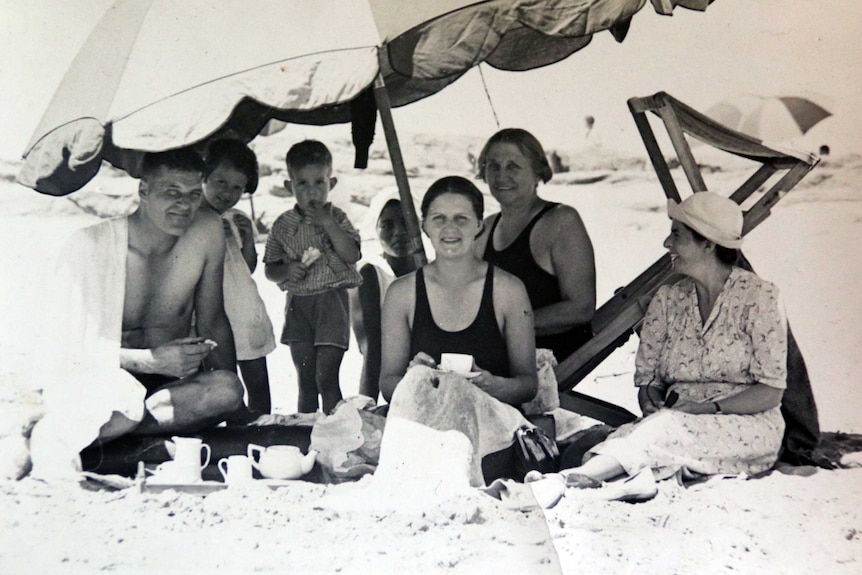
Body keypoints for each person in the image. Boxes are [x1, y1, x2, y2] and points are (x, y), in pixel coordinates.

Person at [531, 192, 787, 497]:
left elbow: (771, 392)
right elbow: (649, 381)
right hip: (674, 421)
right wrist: (651, 401)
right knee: (627, 441)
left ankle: (569, 480)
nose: (667, 244)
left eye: (676, 234)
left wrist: (707, 409)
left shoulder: (759, 298)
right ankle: (628, 484)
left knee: (656, 436)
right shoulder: (667, 300)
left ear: (707, 242)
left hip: (746, 425)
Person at [379, 176, 538, 484]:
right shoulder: (402, 293)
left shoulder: (508, 290)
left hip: (493, 432)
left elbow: (528, 384)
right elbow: (388, 383)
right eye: (439, 219)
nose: (450, 229)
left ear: (479, 224)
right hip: (423, 426)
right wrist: (416, 379)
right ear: (424, 226)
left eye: (461, 219)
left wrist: (490, 385)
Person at [103, 148, 246, 440]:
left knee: (227, 390)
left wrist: (234, 410)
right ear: (144, 190)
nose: (185, 205)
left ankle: (117, 433)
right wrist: (148, 361)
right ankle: (129, 431)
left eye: (194, 194)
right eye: (172, 192)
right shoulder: (106, 246)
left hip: (169, 389)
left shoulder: (207, 230)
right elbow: (74, 353)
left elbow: (213, 319)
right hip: (111, 380)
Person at [475, 128, 596, 363]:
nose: (501, 175)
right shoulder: (486, 228)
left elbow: (581, 308)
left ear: (537, 171)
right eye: (493, 166)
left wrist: (507, 325)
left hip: (551, 359)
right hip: (502, 356)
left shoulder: (561, 220)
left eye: (513, 166)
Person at [264, 140, 362, 414]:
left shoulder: (338, 217)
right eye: (302, 184)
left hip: (332, 303)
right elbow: (270, 269)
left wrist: (329, 224)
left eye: (319, 183)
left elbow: (352, 254)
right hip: (298, 305)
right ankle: (304, 435)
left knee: (326, 377)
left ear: (331, 182)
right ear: (289, 187)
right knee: (306, 380)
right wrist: (286, 270)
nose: (311, 192)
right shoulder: (283, 226)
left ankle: (334, 434)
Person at [201, 139, 277, 416]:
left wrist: (246, 240)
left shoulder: (237, 218)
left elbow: (248, 267)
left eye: (237, 188)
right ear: (204, 176)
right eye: (221, 182)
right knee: (225, 384)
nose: (228, 193)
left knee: (259, 382)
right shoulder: (193, 217)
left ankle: (263, 430)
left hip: (246, 313)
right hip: (214, 314)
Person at [348, 190, 417, 402]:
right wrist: (367, 405)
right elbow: (373, 350)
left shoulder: (432, 270)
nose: (398, 232)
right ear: (375, 230)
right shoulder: (371, 274)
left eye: (406, 222)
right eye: (387, 225)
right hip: (392, 387)